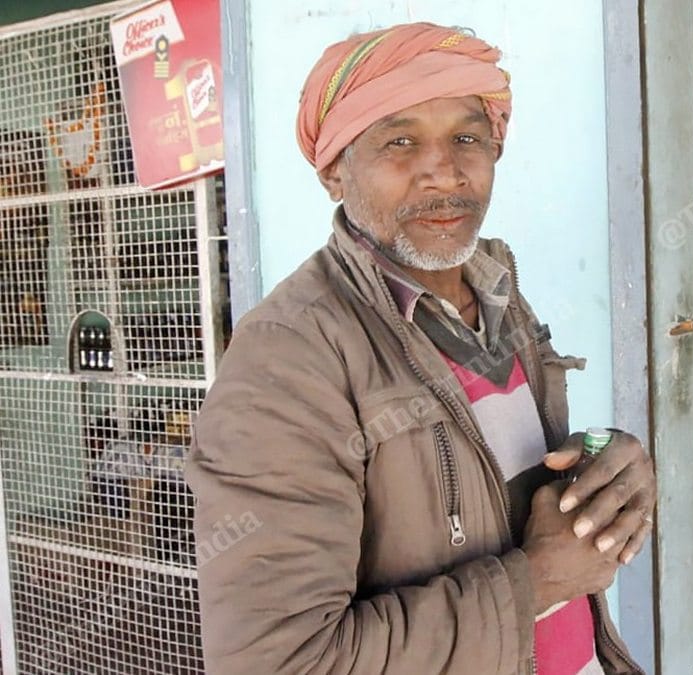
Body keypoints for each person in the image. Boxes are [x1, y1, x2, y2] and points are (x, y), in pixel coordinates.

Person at [186, 22, 655, 675]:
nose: (443, 168)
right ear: (332, 173)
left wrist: (602, 471)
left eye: (467, 137)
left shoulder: (497, 292)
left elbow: (492, 481)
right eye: (399, 141)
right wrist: (538, 579)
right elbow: (278, 661)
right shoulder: (288, 357)